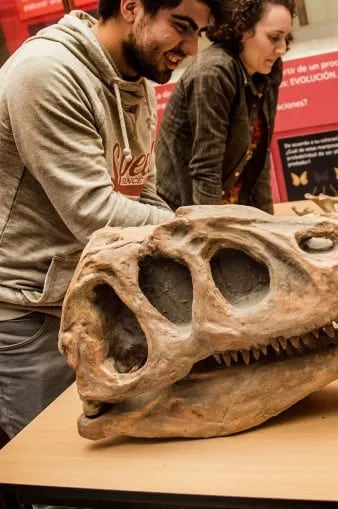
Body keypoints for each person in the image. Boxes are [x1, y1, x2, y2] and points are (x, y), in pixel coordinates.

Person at [0, 0, 228, 440]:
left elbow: (142, 191)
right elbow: (96, 215)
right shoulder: (46, 72)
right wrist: (205, 230)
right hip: (28, 314)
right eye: (181, 26)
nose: (191, 48)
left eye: (198, 32)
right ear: (130, 7)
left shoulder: (137, 78)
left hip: (89, 298)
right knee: (62, 480)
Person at [156, 0, 295, 213]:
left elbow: (259, 157)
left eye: (286, 38)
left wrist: (269, 224)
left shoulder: (268, 69)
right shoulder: (213, 72)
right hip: (181, 210)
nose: (282, 49)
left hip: (228, 204)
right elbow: (206, 169)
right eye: (274, 37)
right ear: (242, 29)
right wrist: (214, 235)